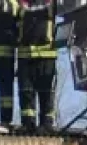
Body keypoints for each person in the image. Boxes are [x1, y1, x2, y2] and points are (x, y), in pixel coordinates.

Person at [19, 0, 60, 130]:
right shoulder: (18, 3)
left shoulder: (53, 3)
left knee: (46, 93)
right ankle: (27, 124)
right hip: (25, 56)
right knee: (26, 93)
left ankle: (47, 124)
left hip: (46, 55)